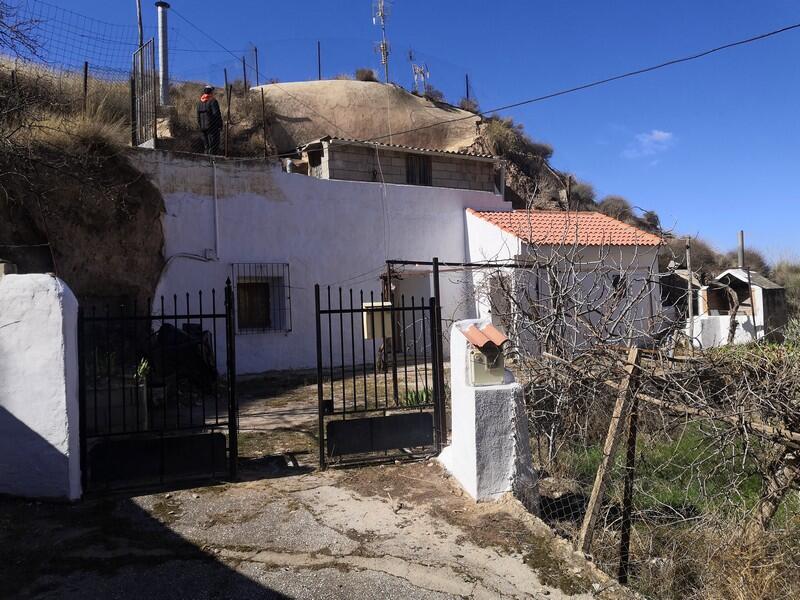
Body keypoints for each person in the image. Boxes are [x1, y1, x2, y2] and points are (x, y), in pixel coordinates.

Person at [196, 85, 222, 154]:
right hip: (212, 128)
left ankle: (206, 162)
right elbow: (217, 114)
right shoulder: (213, 101)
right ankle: (212, 163)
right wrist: (220, 125)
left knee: (206, 146)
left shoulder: (199, 103)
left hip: (203, 128)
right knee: (213, 146)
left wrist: (200, 126)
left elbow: (198, 117)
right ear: (211, 92)